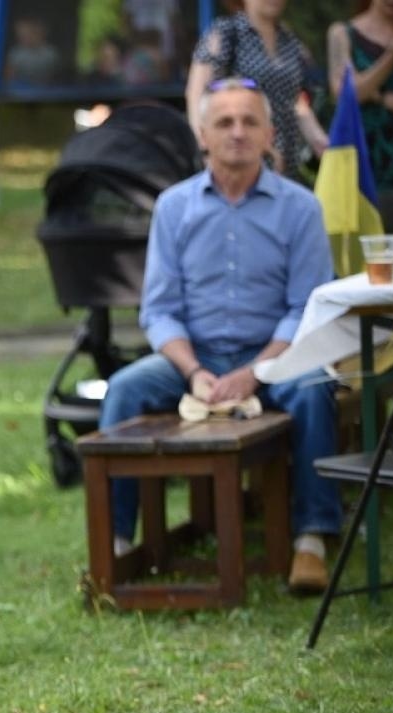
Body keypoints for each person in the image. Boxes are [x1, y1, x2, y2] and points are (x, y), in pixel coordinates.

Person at [100, 80, 340, 592]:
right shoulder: (174, 206)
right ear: (202, 135)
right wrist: (195, 372)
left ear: (271, 134)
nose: (237, 132)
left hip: (276, 356)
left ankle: (312, 541)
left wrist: (255, 372)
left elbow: (307, 308)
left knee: (316, 389)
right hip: (197, 356)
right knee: (125, 388)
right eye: (225, 122)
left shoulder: (300, 208)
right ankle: (117, 544)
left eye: (250, 121)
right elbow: (160, 310)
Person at [186, 0, 328, 179]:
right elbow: (196, 92)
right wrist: (205, 147)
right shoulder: (227, 32)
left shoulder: (290, 41)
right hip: (238, 158)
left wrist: (319, 140)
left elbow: (295, 100)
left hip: (285, 163)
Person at [327, 0, 393, 233]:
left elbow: (361, 89)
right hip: (363, 160)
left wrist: (380, 97)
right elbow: (346, 93)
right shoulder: (343, 33)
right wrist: (392, 58)